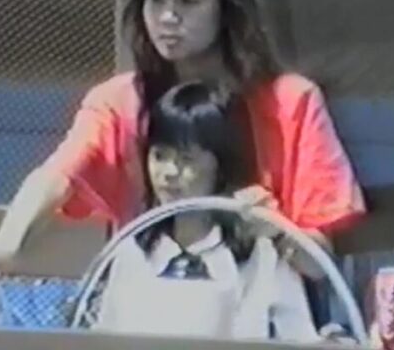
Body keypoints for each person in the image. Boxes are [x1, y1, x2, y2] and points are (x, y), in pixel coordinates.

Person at [0, 0, 366, 280]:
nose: (168, 18)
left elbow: (320, 265)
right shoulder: (118, 101)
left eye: (188, 1)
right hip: (152, 299)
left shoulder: (292, 102)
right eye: (155, 0)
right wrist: (3, 248)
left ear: (226, 9)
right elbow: (57, 177)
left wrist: (278, 232)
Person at [94, 81, 319, 342]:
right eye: (159, 156)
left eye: (186, 159)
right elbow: (104, 337)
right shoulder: (133, 251)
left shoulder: (260, 255)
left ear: (221, 165)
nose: (168, 173)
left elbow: (301, 336)